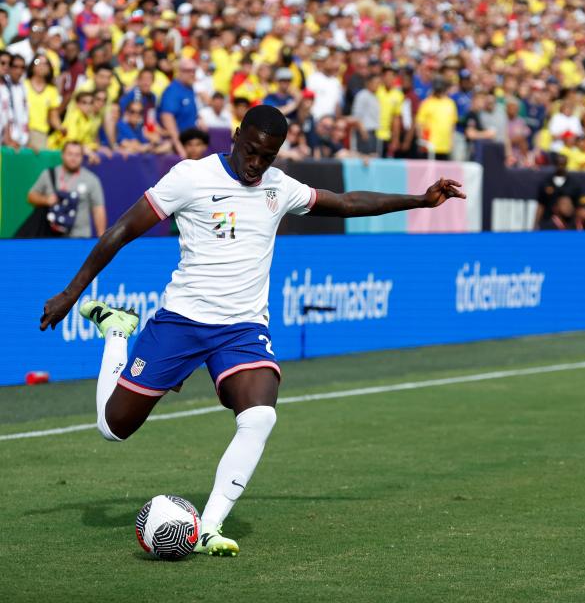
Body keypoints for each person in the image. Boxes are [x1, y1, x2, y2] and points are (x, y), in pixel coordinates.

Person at [38, 105, 464, 557]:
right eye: (251, 151)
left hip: (241, 328)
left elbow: (348, 202)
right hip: (181, 321)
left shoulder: (278, 187)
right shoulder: (191, 177)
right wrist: (72, 291)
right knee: (113, 427)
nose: (257, 163)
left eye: (268, 156)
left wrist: (420, 200)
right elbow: (123, 229)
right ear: (236, 135)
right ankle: (118, 332)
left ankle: (207, 527)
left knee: (260, 416)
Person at [26, 140, 107, 238]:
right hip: (51, 236)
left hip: (80, 237)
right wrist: (46, 200)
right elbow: (31, 196)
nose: (73, 158)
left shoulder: (91, 180)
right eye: (70, 154)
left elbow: (98, 209)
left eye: (77, 155)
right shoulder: (49, 174)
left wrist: (101, 236)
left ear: (82, 157)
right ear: (62, 155)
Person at [159, 58, 200, 158]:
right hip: (175, 147)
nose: (192, 74)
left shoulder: (189, 88)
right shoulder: (173, 90)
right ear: (179, 72)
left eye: (194, 70)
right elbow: (167, 118)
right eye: (188, 70)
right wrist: (178, 145)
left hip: (188, 143)